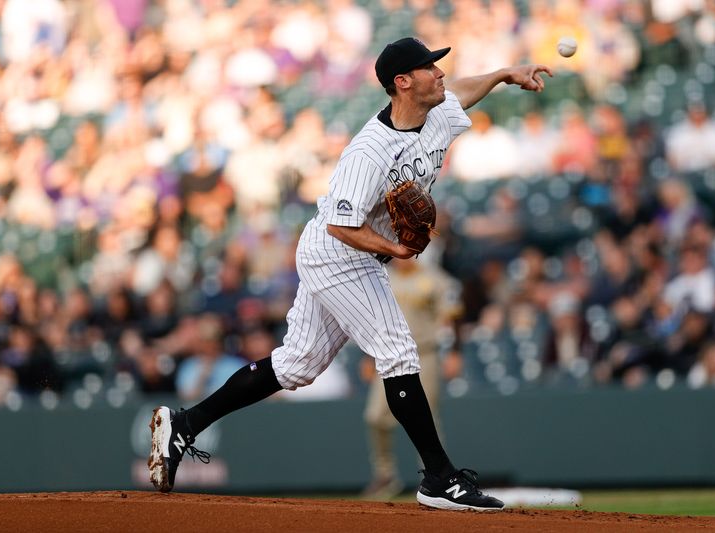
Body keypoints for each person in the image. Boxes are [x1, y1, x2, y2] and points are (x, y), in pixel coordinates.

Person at [148, 36, 551, 512]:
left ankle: (184, 424)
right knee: (398, 351)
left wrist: (505, 74)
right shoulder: (370, 152)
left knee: (296, 365)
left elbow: (463, 90)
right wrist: (395, 248)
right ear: (402, 82)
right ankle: (440, 478)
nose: (440, 74)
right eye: (429, 68)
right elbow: (341, 224)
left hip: (353, 253)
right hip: (338, 253)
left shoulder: (435, 112)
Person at [360, 257, 463, 500]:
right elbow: (371, 320)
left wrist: (456, 352)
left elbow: (453, 317)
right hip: (388, 356)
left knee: (428, 419)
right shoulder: (382, 276)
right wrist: (367, 356)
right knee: (375, 416)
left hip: (424, 353)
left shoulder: (435, 278)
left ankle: (436, 478)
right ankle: (385, 475)